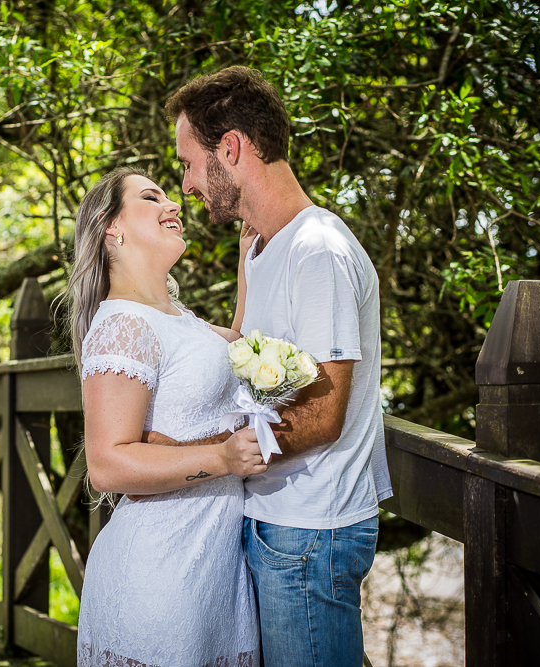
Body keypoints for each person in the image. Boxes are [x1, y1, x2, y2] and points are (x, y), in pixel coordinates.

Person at [163, 66, 393, 667]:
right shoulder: (267, 247)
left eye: (188, 163)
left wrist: (194, 455)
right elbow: (240, 348)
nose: (186, 184)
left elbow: (320, 415)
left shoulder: (318, 250)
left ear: (231, 148)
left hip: (311, 533)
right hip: (275, 523)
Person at [67, 167, 263, 667]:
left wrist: (247, 262)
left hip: (212, 578)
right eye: (151, 198)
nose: (173, 204)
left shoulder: (177, 319)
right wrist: (223, 457)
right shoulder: (122, 324)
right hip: (158, 579)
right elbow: (108, 465)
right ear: (113, 227)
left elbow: (242, 349)